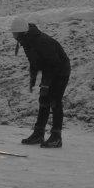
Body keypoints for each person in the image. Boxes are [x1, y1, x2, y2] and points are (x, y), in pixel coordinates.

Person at [10, 17, 70, 148]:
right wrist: (33, 80)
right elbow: (34, 63)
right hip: (50, 69)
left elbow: (54, 63)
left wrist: (46, 83)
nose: (13, 36)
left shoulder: (40, 41)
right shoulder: (26, 41)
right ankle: (38, 133)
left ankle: (56, 136)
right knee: (43, 99)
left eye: (14, 33)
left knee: (54, 100)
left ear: (22, 32)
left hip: (61, 70)